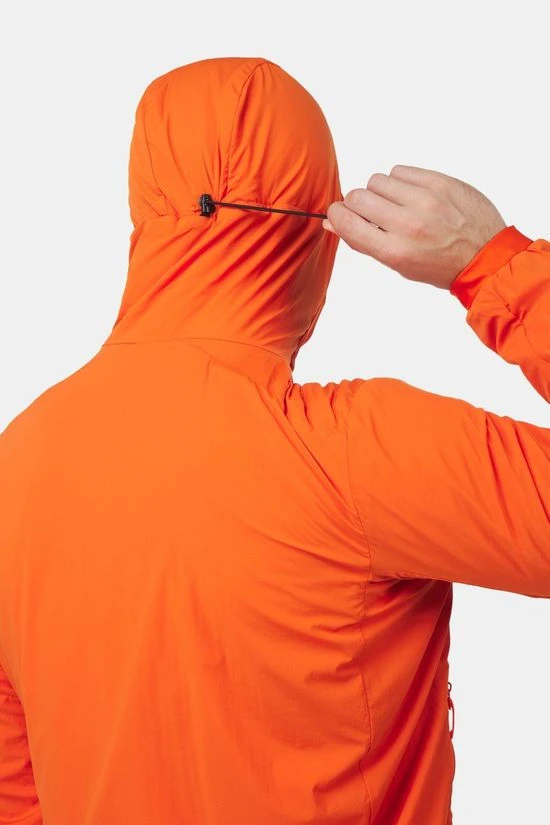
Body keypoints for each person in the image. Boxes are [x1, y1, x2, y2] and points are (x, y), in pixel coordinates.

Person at [0, 56, 548, 825]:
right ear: (319, 244)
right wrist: (494, 265)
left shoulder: (17, 463)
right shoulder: (354, 451)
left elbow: (17, 791)